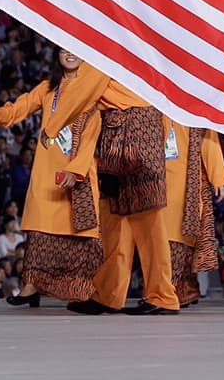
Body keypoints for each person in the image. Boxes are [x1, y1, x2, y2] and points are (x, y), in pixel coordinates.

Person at [39, 60, 178, 315]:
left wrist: (51, 127)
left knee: (148, 223)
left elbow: (80, 96)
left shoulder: (105, 57)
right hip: (125, 137)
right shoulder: (134, 57)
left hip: (131, 138)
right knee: (116, 221)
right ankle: (109, 295)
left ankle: (162, 297)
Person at [0, 47, 103, 306]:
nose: (70, 53)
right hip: (46, 171)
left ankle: (78, 291)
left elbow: (92, 132)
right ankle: (30, 288)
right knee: (39, 232)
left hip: (77, 170)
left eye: (76, 48)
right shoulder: (48, 88)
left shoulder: (92, 87)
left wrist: (76, 170)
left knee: (77, 235)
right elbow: (17, 110)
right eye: (64, 48)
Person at [162, 120, 224, 307]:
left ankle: (172, 291)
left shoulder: (194, 98)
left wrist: (217, 177)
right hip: (157, 178)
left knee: (179, 236)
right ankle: (173, 291)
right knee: (163, 238)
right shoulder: (153, 95)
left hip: (187, 181)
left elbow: (208, 135)